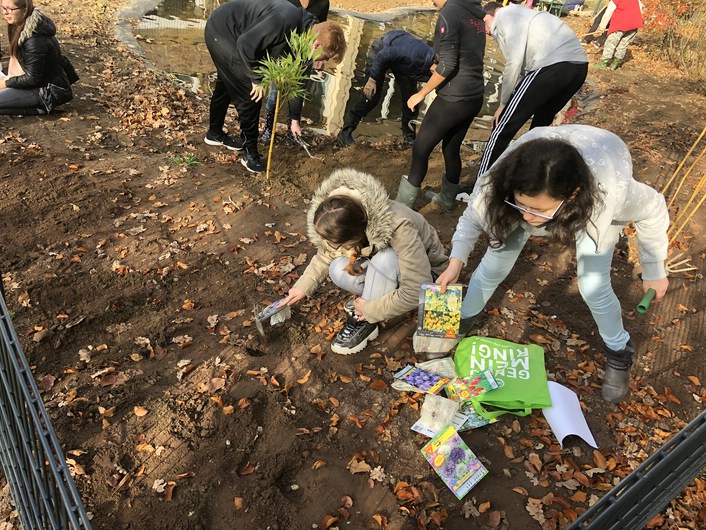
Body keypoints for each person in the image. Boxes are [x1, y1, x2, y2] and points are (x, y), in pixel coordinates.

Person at [437, 125, 669, 403]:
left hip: (601, 169)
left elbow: (654, 207)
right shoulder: (500, 184)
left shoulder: (609, 193)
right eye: (522, 204)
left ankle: (619, 352)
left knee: (593, 285)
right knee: (493, 265)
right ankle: (462, 321)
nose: (527, 215)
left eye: (538, 209)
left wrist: (654, 269)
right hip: (541, 169)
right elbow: (472, 218)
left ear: (571, 196)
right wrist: (455, 263)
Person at [280, 168, 449, 355]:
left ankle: (365, 320)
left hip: (429, 274)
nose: (329, 246)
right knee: (337, 268)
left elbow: (416, 288)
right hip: (390, 269)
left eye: (335, 243)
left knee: (386, 259)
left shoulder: (399, 225)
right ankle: (376, 299)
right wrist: (302, 287)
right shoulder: (340, 210)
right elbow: (325, 255)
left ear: (355, 235)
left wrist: (370, 310)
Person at [203, 0, 345, 173]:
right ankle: (250, 153)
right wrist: (256, 80)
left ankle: (214, 133)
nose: (322, 63)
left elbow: (297, 79)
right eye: (324, 57)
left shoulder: (306, 31)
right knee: (252, 94)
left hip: (235, 32)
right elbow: (245, 45)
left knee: (227, 82)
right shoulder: (285, 19)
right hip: (223, 30)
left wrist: (294, 118)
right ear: (317, 45)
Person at [394, 0, 486, 214]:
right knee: (451, 148)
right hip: (474, 96)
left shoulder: (449, 13)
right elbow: (465, 53)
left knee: (420, 148)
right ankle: (446, 199)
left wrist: (421, 93)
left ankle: (402, 208)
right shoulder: (474, 10)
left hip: (454, 98)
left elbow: (448, 64)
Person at [477, 2, 588, 176]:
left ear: (493, 14)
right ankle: (530, 178)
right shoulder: (524, 16)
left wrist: (503, 104)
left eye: (484, 23)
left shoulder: (505, 15)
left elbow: (514, 63)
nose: (484, 30)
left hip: (553, 66)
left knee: (502, 126)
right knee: (539, 130)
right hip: (578, 68)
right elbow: (523, 69)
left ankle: (481, 183)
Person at [337, 30, 436, 148]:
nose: (438, 75)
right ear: (435, 63)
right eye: (437, 72)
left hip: (402, 61)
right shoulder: (413, 55)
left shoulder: (440, 66)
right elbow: (384, 55)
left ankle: (409, 139)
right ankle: (345, 134)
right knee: (371, 95)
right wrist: (372, 80)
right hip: (382, 50)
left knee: (411, 99)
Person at [261, 0, 330, 144]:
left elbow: (321, 30)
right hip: (282, 52)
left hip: (306, 54)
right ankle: (269, 127)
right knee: (274, 93)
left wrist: (320, 57)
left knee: (298, 91)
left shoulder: (323, 3)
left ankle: (292, 128)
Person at [0, 0, 73, 115]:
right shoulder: (18, 25)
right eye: (3, 8)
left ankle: (39, 108)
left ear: (24, 10)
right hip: (33, 81)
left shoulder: (34, 39)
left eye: (10, 9)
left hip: (46, 90)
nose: (5, 13)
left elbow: (32, 79)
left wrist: (6, 83)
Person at [594, 0, 643, 70]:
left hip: (620, 24)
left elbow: (608, 13)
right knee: (623, 44)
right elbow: (640, 8)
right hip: (634, 26)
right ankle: (615, 64)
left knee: (611, 43)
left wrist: (602, 27)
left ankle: (603, 63)